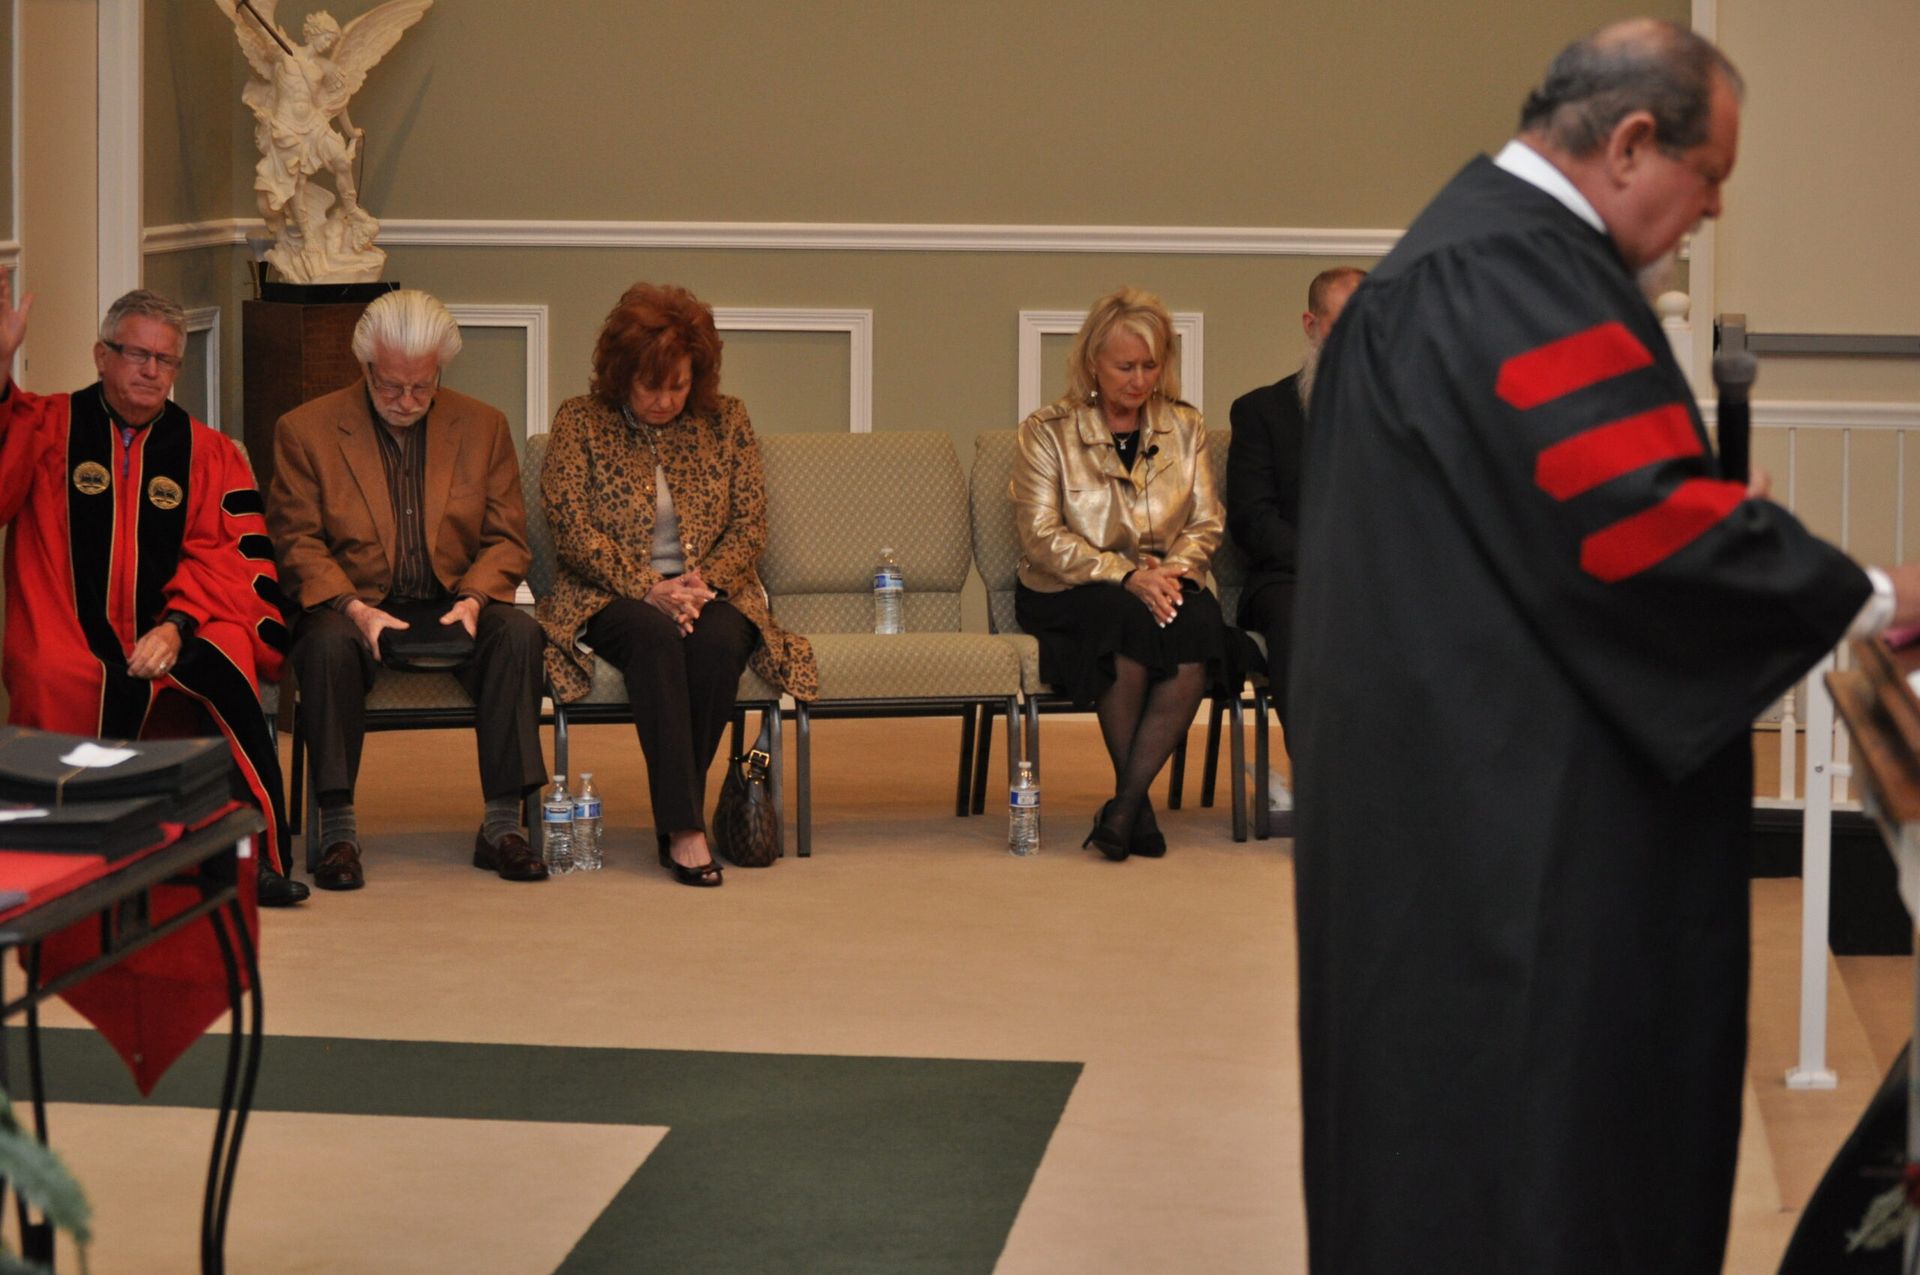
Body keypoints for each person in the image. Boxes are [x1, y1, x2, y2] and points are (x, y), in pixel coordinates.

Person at [1290, 19, 1920, 1273]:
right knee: (1529, 1180)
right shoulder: (1508, 277)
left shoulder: (1468, 258)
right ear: (1632, 143)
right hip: (1512, 846)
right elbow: (1634, 522)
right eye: (1711, 179)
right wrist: (1870, 592)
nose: (1711, 212)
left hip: (1446, 812)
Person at [0, 281, 307, 906]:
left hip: (173, 622)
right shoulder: (47, 426)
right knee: (54, 671)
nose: (150, 370)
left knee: (228, 655)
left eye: (165, 359)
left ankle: (249, 856)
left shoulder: (210, 452)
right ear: (101, 355)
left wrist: (176, 626)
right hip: (68, 622)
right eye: (136, 354)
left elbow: (224, 555)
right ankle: (60, 858)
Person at [538, 283, 817, 888]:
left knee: (718, 644)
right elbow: (569, 526)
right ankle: (686, 829)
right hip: (609, 595)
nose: (665, 400)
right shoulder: (579, 421)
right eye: (650, 385)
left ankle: (676, 816)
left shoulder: (728, 420)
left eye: (679, 386)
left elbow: (750, 522)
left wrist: (701, 582)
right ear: (620, 374)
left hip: (711, 589)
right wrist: (648, 586)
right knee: (656, 639)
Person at [269, 289, 548, 890]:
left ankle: (504, 824)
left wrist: (475, 598)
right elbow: (297, 544)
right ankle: (337, 827)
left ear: (439, 371)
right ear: (365, 367)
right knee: (324, 646)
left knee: (519, 634)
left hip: (454, 601)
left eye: (422, 386)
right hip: (352, 602)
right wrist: (353, 608)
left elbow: (507, 540)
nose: (406, 401)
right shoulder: (306, 430)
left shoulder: (482, 425)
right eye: (391, 386)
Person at [1011, 286, 1232, 861]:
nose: (1139, 380)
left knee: (1198, 622)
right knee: (1120, 620)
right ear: (1092, 363)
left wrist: (1173, 573)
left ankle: (1124, 807)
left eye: (1150, 366)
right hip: (1069, 587)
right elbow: (1040, 535)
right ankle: (1136, 809)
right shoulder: (1047, 430)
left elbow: (1207, 521)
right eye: (1125, 366)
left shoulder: (1185, 427)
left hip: (1165, 582)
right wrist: (1124, 573)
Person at [1225, 266, 1364, 823]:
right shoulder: (1262, 412)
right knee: (1303, 612)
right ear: (1311, 325)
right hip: (1289, 577)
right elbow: (1254, 521)